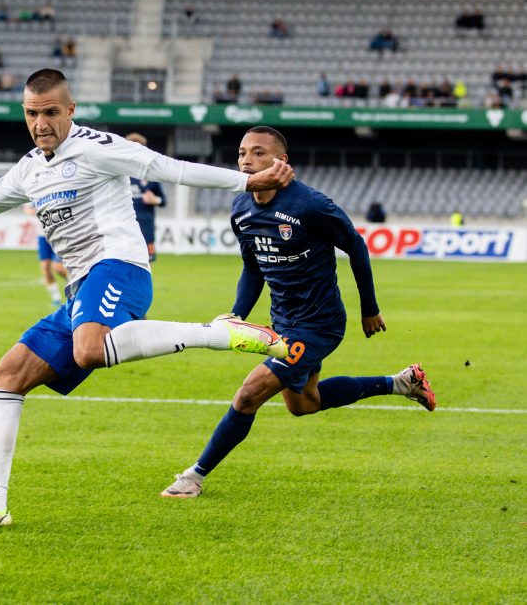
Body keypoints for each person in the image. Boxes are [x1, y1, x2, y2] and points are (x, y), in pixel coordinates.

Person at [0, 69, 294, 527]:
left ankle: (217, 333)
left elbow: (166, 167)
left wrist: (245, 181)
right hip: (82, 290)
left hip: (120, 268)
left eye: (50, 112)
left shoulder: (95, 147)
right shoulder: (30, 168)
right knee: (6, 377)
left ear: (70, 110)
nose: (41, 123)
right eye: (32, 113)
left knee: (87, 350)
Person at [159, 126, 436, 499]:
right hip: (285, 321)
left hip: (320, 325)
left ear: (281, 161)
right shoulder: (240, 206)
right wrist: (237, 313)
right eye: (242, 152)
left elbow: (356, 246)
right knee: (305, 404)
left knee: (249, 394)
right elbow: (254, 267)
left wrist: (369, 309)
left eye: (258, 152)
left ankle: (193, 476)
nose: (246, 160)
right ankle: (402, 382)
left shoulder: (310, 204)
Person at [125, 133, 166, 261]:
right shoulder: (120, 173)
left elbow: (163, 201)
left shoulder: (151, 175)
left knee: (147, 264)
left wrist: (155, 200)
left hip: (146, 227)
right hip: (125, 227)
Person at [25, 203, 67, 306]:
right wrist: (37, 212)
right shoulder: (33, 192)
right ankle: (56, 299)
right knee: (45, 268)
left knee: (58, 268)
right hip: (42, 237)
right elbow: (28, 209)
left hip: (57, 234)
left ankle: (74, 283)